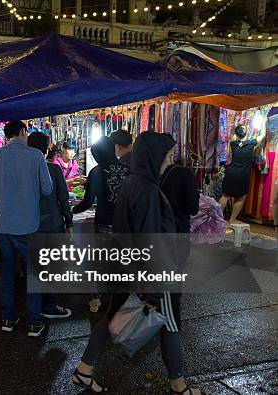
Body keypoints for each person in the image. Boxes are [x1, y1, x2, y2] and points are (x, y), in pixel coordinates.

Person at [71, 133, 203, 395]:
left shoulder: (134, 183)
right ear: (155, 156)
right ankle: (179, 385)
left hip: (127, 268)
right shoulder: (146, 190)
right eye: (167, 154)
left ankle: (84, 370)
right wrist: (153, 290)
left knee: (111, 318)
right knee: (171, 323)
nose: (169, 160)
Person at [0, 121, 53, 337]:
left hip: (3, 224)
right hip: (28, 224)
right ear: (23, 132)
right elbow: (47, 189)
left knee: (7, 271)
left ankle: (8, 318)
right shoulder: (36, 156)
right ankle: (33, 322)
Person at [72, 136, 129, 312]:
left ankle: (96, 300)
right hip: (125, 224)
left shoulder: (96, 172)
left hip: (104, 222)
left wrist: (71, 211)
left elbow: (88, 202)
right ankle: (121, 300)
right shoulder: (128, 169)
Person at [27, 132, 73, 319]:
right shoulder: (53, 169)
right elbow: (64, 198)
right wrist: (68, 221)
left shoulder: (24, 170)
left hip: (31, 224)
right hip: (53, 224)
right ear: (46, 150)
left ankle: (35, 308)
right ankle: (50, 305)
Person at [219, 125, 266, 223]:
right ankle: (231, 221)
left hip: (231, 173)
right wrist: (264, 123)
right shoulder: (251, 143)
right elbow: (263, 135)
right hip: (243, 175)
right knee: (241, 197)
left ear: (236, 134)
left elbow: (233, 137)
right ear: (246, 133)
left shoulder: (233, 144)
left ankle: (216, 219)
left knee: (225, 195)